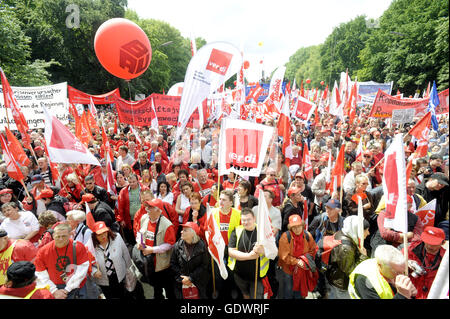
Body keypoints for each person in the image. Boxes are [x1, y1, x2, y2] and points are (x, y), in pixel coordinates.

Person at [134, 199, 176, 299]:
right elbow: (139, 233)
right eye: (147, 206)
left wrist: (152, 250)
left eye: (150, 207)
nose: (147, 209)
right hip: (149, 263)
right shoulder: (144, 218)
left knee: (169, 289)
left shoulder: (167, 225)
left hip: (163, 265)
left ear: (158, 210)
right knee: (156, 287)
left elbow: (170, 245)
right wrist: (139, 242)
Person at [34, 223, 90, 299]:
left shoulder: (78, 247)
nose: (60, 239)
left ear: (70, 235)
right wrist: (54, 291)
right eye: (58, 236)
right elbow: (40, 274)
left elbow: (82, 270)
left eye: (64, 236)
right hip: (54, 286)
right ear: (53, 236)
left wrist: (67, 289)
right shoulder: (43, 251)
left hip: (76, 285)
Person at [322, 216, 370, 299]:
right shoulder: (346, 248)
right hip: (341, 285)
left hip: (335, 278)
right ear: (358, 230)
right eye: (366, 230)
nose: (368, 233)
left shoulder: (345, 233)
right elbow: (350, 270)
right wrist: (363, 257)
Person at [228, 208, 269, 299]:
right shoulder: (236, 231)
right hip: (240, 275)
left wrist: (264, 251)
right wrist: (250, 256)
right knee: (245, 295)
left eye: (249, 219)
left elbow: (274, 252)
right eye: (243, 220)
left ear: (254, 219)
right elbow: (231, 252)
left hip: (257, 277)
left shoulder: (263, 232)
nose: (246, 222)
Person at [348, 244, 418, 299]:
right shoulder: (364, 280)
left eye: (402, 271)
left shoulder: (389, 267)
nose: (400, 275)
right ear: (380, 265)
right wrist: (402, 295)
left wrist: (411, 295)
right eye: (396, 272)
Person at [278, 214, 318, 299]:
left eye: (299, 226)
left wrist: (304, 260)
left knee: (299, 290)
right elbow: (283, 255)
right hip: (288, 269)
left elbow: (313, 249)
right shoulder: (285, 236)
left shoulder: (307, 235)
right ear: (290, 228)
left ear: (302, 225)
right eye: (294, 227)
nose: (297, 229)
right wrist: (297, 262)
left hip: (302, 269)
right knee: (288, 289)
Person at [91, 221, 133, 299]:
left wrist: (129, 269)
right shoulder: (91, 246)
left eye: (104, 233)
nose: (103, 236)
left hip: (119, 274)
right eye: (99, 235)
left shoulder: (117, 237)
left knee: (123, 295)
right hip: (103, 279)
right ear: (94, 236)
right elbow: (89, 263)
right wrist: (94, 271)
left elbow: (125, 253)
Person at [404, 226, 446, 299]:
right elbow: (396, 264)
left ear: (443, 242)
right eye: (428, 241)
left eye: (434, 243)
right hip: (412, 293)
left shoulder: (446, 258)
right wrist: (405, 263)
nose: (429, 246)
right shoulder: (411, 249)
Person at [170, 222, 210, 299]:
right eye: (182, 230)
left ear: (193, 234)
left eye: (185, 230)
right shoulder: (177, 246)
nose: (181, 232)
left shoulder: (202, 246)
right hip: (181, 283)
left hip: (199, 283)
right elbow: (173, 264)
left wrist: (191, 278)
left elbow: (204, 265)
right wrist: (183, 278)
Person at [117, 173, 148, 245]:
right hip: (129, 218)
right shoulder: (123, 191)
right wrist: (121, 219)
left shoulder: (144, 189)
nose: (132, 184)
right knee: (132, 237)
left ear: (138, 181)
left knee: (142, 234)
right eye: (130, 182)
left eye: (134, 182)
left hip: (142, 217)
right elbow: (120, 206)